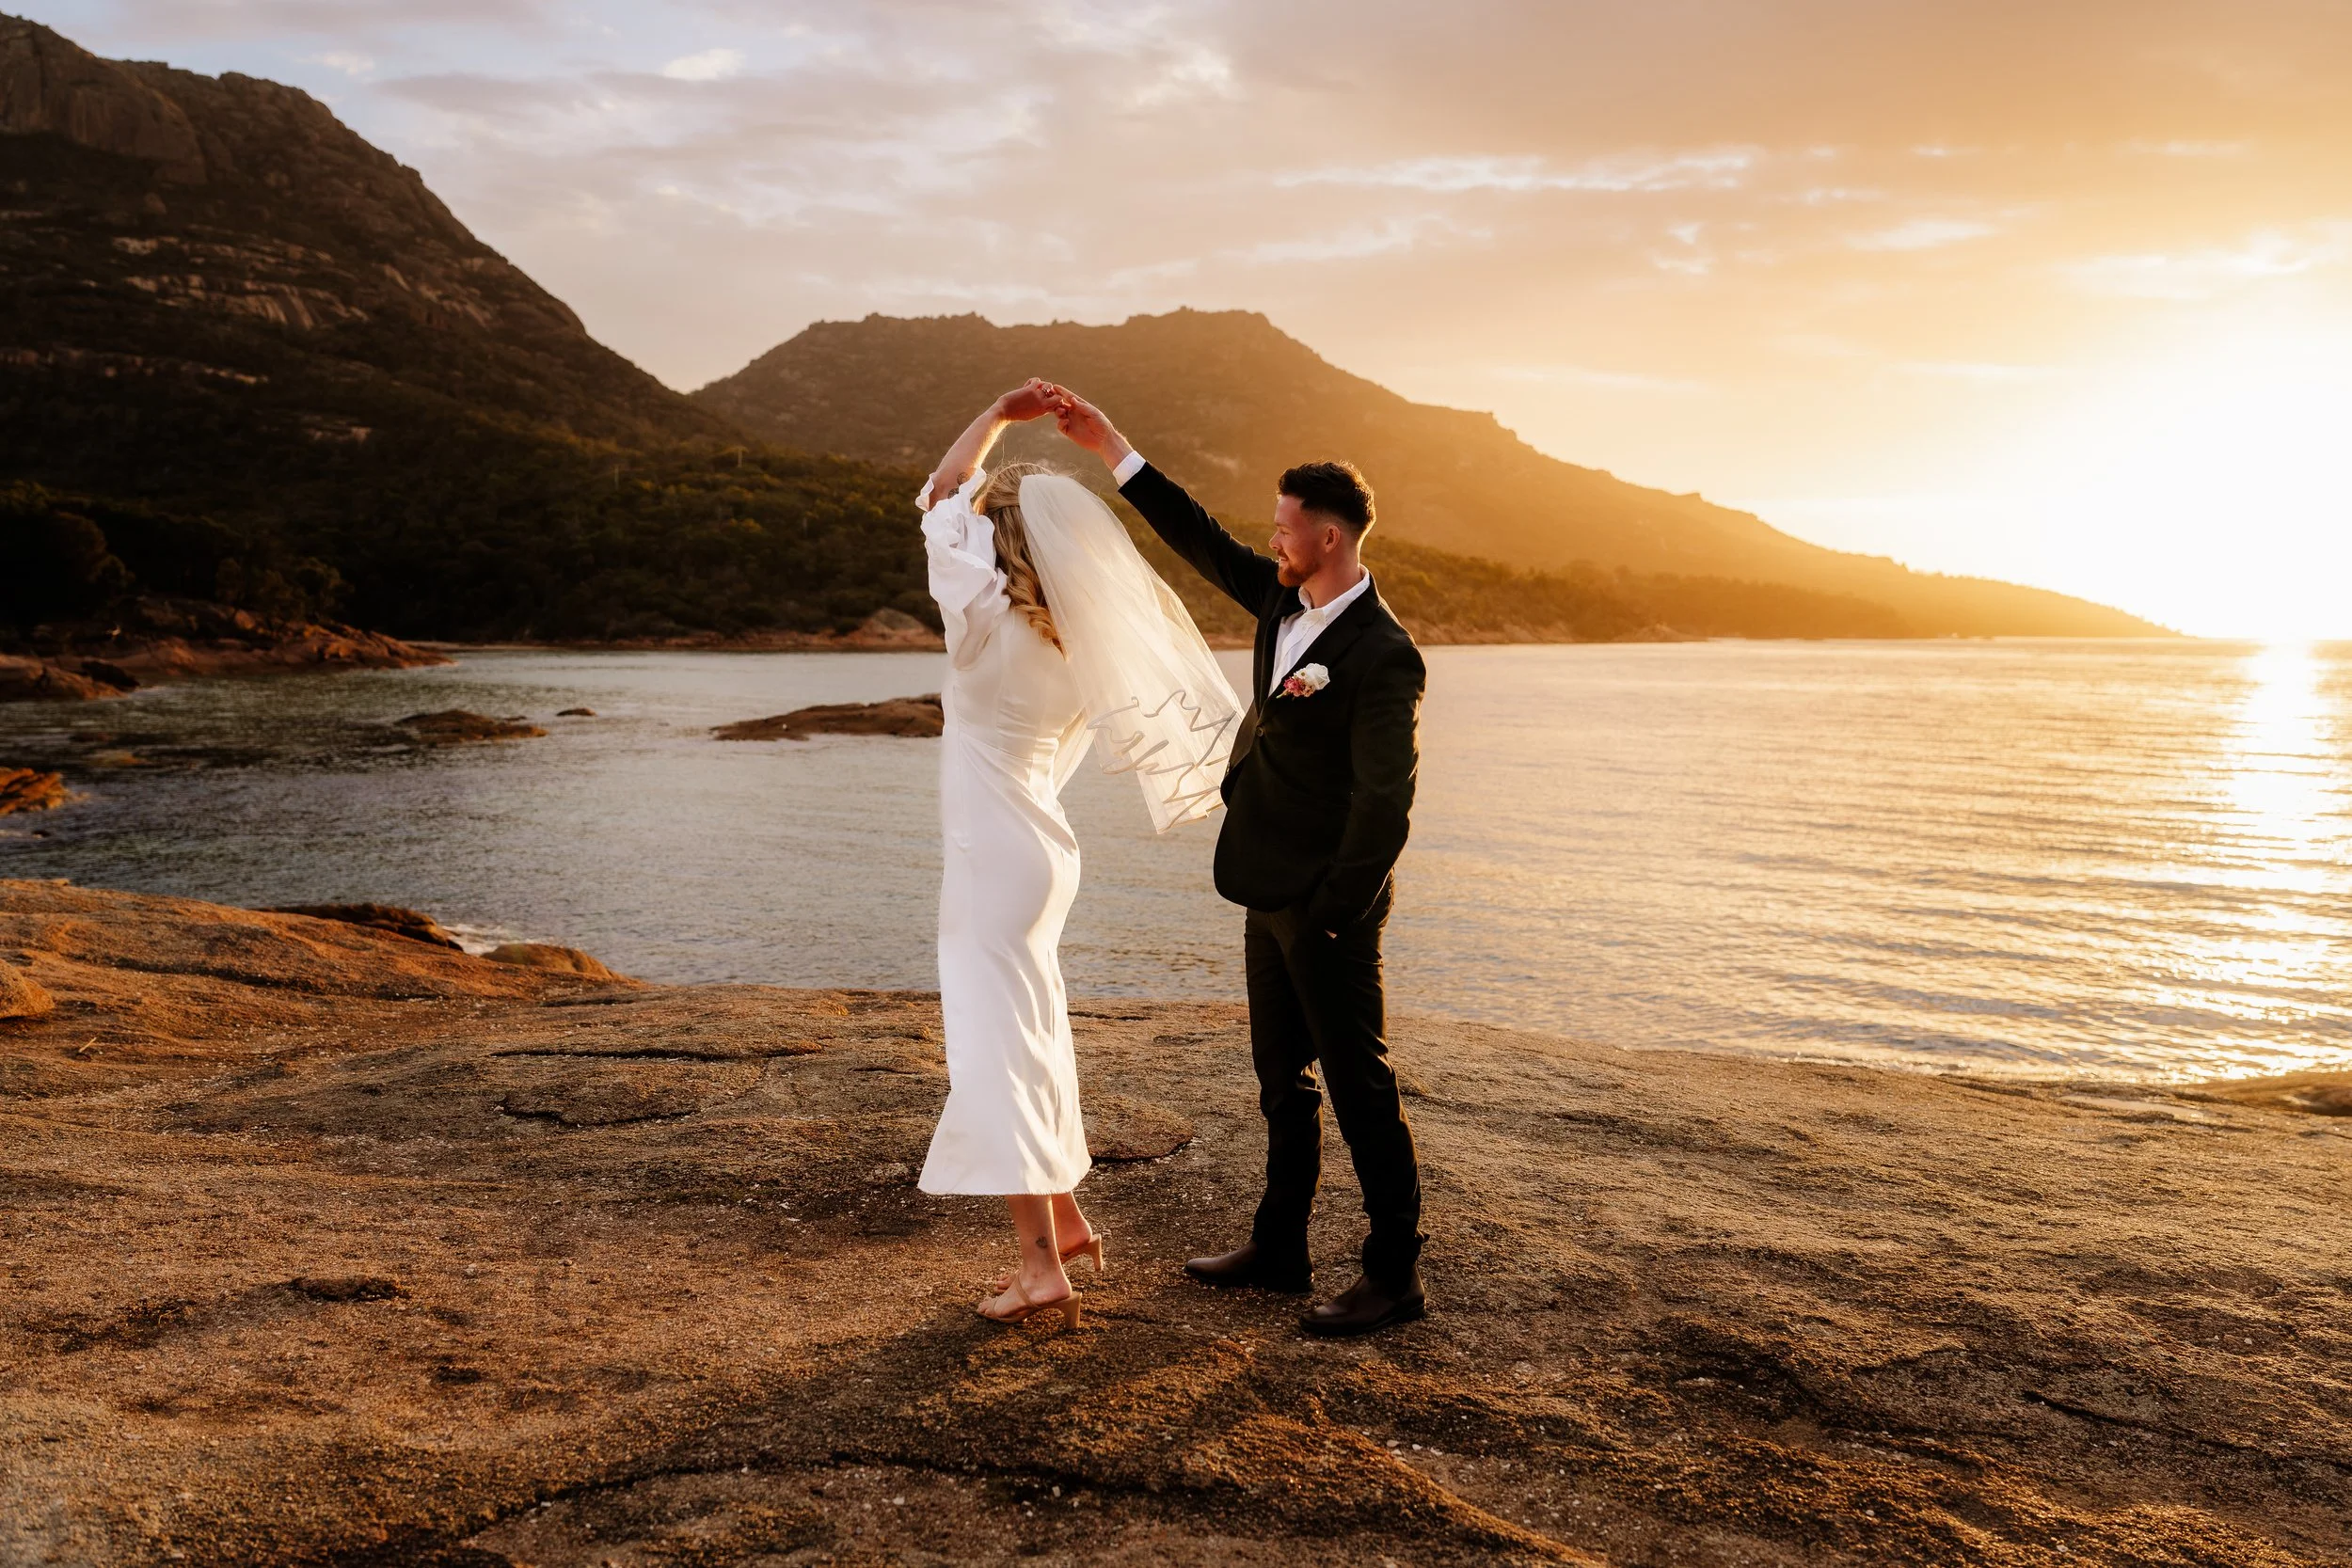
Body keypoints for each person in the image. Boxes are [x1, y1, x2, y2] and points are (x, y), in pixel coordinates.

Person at [1042, 383, 1431, 1338]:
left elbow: (1386, 799)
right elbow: (1198, 535)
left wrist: (1338, 903)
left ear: (1330, 537)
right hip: (1264, 883)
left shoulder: (1383, 655)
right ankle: (1280, 1246)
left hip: (1329, 901)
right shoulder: (1279, 599)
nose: (1272, 537)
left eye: (1286, 525)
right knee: (1279, 1077)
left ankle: (1393, 1276)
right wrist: (1112, 446)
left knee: (1360, 1088)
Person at [915, 381, 1243, 1329]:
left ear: (995, 539)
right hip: (1045, 855)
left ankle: (1035, 1268)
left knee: (996, 1048)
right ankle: (1063, 1218)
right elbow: (952, 504)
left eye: (984, 520)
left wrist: (995, 413)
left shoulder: (979, 618)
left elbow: (939, 494)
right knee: (1036, 1032)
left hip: (993, 854)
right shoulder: (1073, 642)